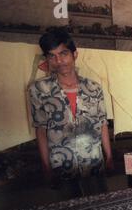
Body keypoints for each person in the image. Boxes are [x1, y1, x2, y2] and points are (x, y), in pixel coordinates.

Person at [29, 27, 113, 183]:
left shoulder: (94, 88)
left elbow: (102, 123)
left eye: (63, 54)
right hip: (60, 166)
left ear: (75, 54)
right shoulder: (39, 89)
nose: (59, 61)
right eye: (52, 56)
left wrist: (109, 157)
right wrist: (46, 167)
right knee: (66, 206)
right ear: (47, 60)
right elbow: (40, 129)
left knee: (98, 203)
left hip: (94, 163)